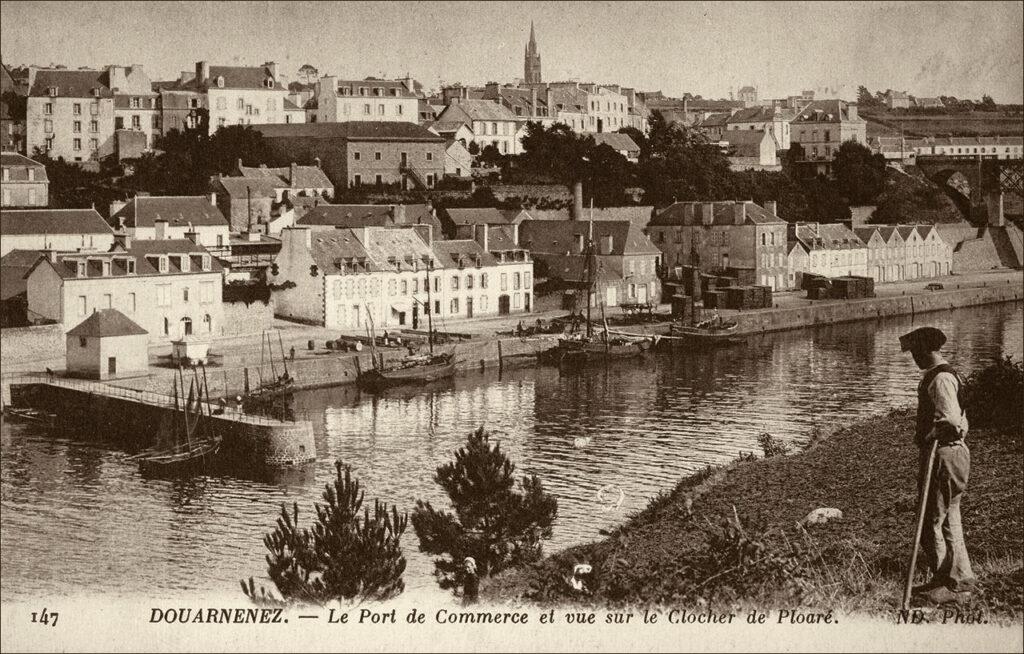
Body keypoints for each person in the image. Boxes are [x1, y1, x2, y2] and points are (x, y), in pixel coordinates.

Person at [900, 326, 976, 604]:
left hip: (943, 454)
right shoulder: (947, 374)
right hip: (950, 454)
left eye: (915, 353)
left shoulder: (940, 378)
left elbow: (953, 423)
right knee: (948, 519)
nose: (914, 359)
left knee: (934, 520)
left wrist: (930, 434)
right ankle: (952, 578)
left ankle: (952, 584)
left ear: (925, 351)